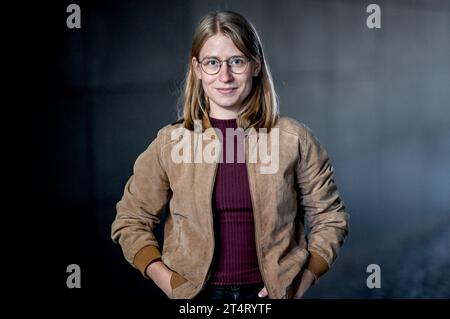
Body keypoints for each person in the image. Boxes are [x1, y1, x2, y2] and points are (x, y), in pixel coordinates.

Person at [111, 10, 349, 299]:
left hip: (270, 295)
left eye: (236, 61)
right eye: (212, 63)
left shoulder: (293, 140)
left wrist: (305, 278)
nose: (224, 76)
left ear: (255, 65)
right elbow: (130, 218)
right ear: (197, 69)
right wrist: (168, 281)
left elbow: (330, 217)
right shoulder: (170, 143)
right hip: (194, 297)